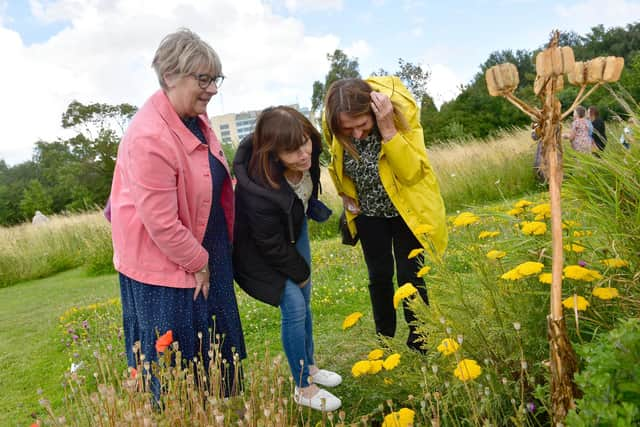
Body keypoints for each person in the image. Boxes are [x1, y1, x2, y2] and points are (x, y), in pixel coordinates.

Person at [109, 29, 246, 398]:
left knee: (213, 354)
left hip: (204, 249)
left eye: (215, 78)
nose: (213, 88)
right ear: (170, 76)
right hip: (168, 265)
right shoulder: (149, 136)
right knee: (177, 366)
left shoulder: (193, 118)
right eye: (203, 79)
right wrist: (198, 261)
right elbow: (161, 222)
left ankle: (217, 410)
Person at [323, 76, 447, 353]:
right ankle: (384, 340)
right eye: (348, 129)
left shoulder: (401, 120)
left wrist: (388, 130)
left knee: (410, 275)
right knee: (378, 276)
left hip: (406, 212)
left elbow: (412, 172)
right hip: (369, 215)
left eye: (362, 125)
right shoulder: (335, 129)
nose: (356, 134)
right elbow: (336, 164)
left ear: (375, 112)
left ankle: (420, 339)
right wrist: (344, 193)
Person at [233, 106, 341, 412]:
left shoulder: (311, 148)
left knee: (305, 299)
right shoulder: (257, 188)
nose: (304, 153)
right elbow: (269, 245)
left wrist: (312, 206)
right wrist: (299, 271)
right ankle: (303, 388)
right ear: (273, 153)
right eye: (292, 151)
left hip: (293, 230)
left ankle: (311, 368)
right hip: (256, 251)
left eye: (304, 142)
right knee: (294, 304)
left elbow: (305, 190)